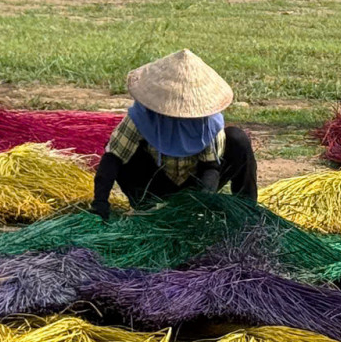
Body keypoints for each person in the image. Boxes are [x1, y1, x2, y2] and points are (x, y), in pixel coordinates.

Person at [92, 49, 257, 219]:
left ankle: (247, 210)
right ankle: (146, 207)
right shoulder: (142, 117)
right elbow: (113, 158)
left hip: (194, 186)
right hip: (155, 185)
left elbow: (210, 168)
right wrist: (100, 203)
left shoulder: (208, 123)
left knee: (238, 139)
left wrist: (201, 204)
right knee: (116, 149)